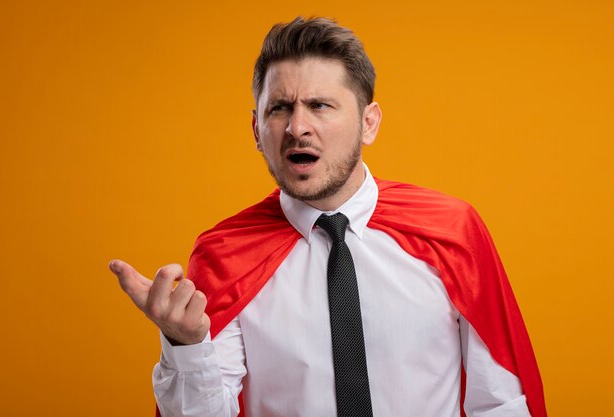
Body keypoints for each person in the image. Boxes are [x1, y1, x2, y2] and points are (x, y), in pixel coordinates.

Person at [109, 17, 546, 417]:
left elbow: (501, 402)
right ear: (256, 130)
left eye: (320, 105)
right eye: (279, 108)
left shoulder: (451, 233)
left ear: (368, 123)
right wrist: (186, 348)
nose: (297, 127)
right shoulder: (226, 254)